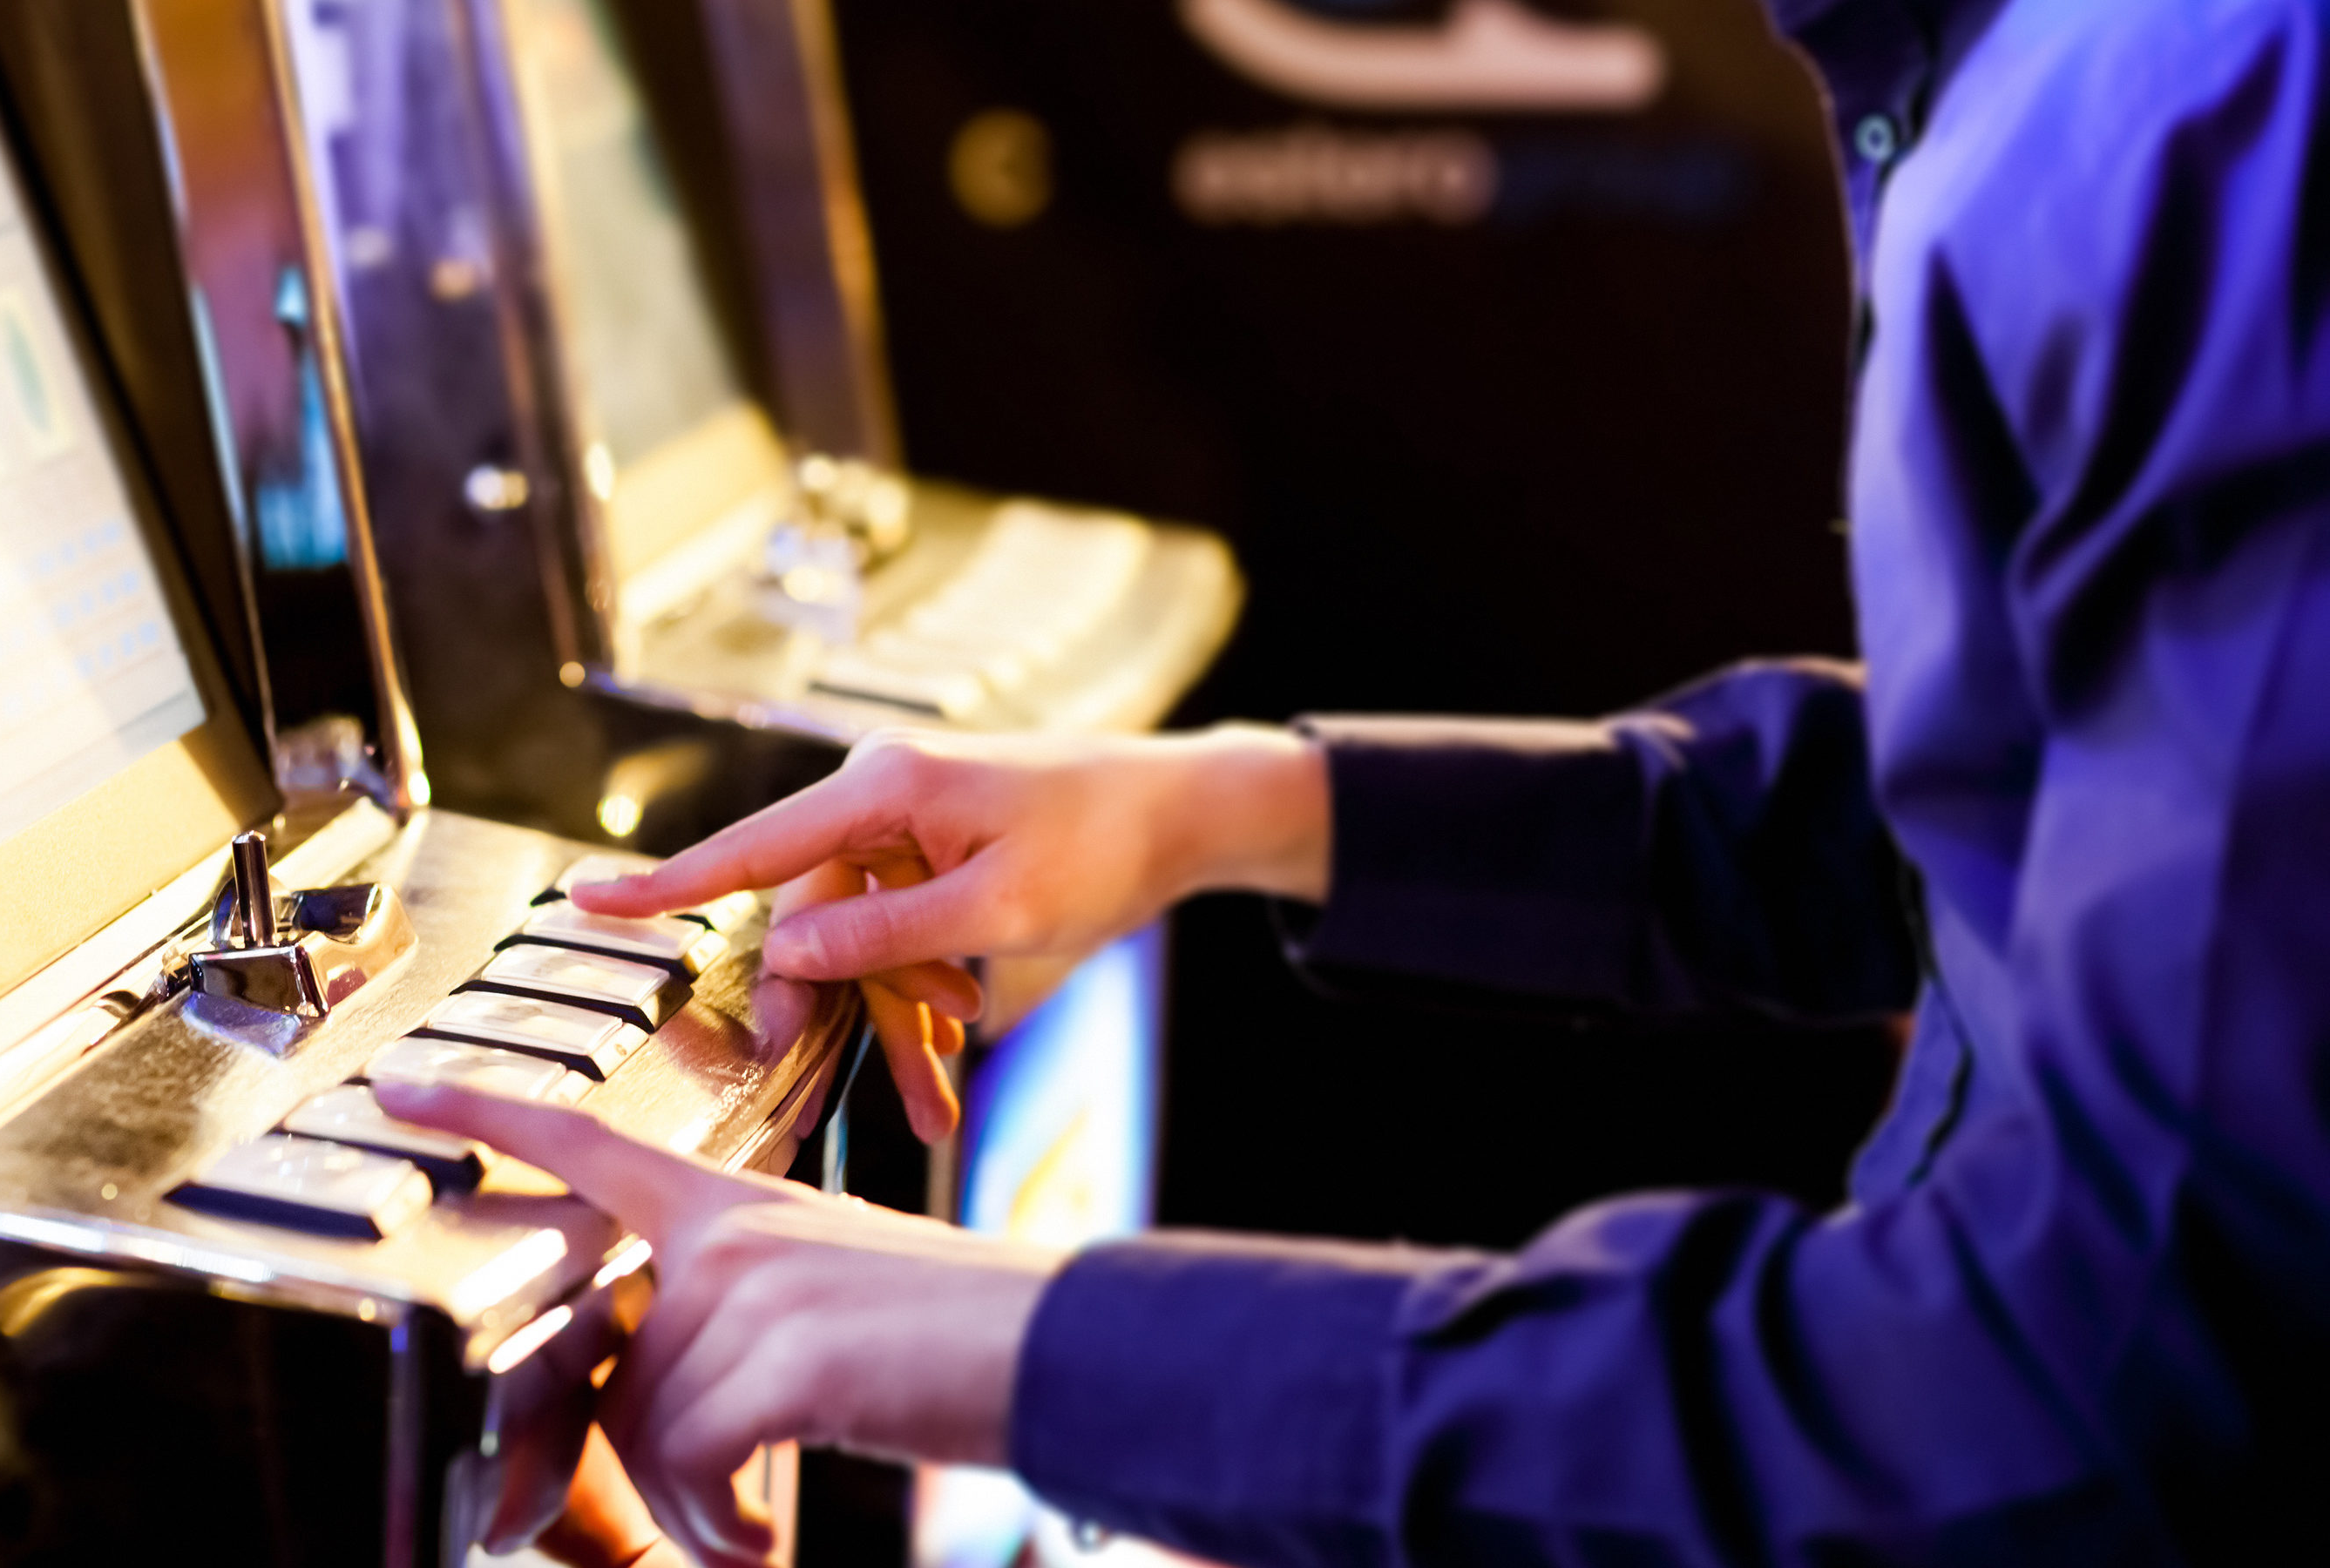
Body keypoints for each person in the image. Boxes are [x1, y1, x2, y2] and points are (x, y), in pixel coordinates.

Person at [382, 0, 2330, 1561]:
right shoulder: (2036, 69)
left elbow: (2110, 1404)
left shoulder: (2217, 114)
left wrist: (1041, 1347)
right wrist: (1229, 809)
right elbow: (2016, 804)